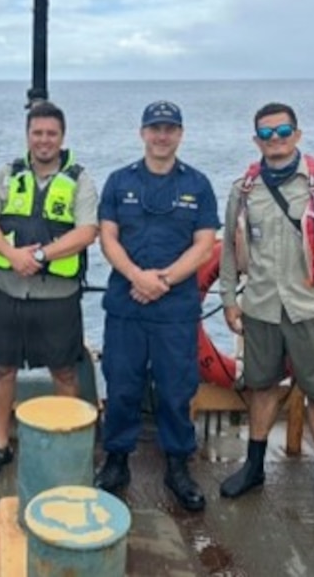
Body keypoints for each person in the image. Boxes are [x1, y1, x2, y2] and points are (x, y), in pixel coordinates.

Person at [218, 102, 314, 523]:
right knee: (261, 387)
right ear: (255, 141)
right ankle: (253, 467)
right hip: (261, 306)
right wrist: (229, 299)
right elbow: (229, 248)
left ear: (297, 134)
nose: (275, 140)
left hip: (309, 309)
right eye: (266, 134)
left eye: (283, 131)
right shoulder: (243, 190)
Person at [93, 100, 219, 512]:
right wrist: (137, 276)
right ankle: (116, 460)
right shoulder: (118, 181)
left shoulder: (198, 185)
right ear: (142, 133)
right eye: (155, 128)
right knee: (122, 384)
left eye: (169, 128)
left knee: (175, 389)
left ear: (180, 134)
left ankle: (178, 465)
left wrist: (162, 280)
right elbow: (107, 237)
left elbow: (204, 245)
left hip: (174, 309)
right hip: (127, 304)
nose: (162, 136)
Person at [0, 100, 99, 481]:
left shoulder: (80, 179)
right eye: (37, 133)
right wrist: (12, 254)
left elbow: (86, 232)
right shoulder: (7, 175)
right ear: (28, 135)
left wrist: (40, 255)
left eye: (51, 134)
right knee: (2, 369)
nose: (44, 140)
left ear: (62, 137)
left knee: (65, 372)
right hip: (9, 294)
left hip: (58, 298)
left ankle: (67, 447)